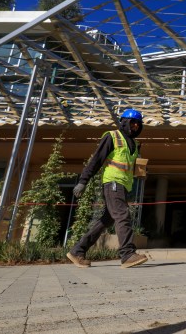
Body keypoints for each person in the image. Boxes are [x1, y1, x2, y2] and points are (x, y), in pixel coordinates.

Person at [67, 109, 149, 269]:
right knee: (122, 215)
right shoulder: (112, 136)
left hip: (123, 186)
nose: (135, 126)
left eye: (138, 124)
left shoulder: (133, 144)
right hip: (112, 182)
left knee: (106, 220)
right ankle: (127, 254)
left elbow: (132, 166)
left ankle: (78, 251)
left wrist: (142, 171)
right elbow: (96, 159)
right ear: (124, 122)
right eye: (132, 122)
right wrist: (83, 181)